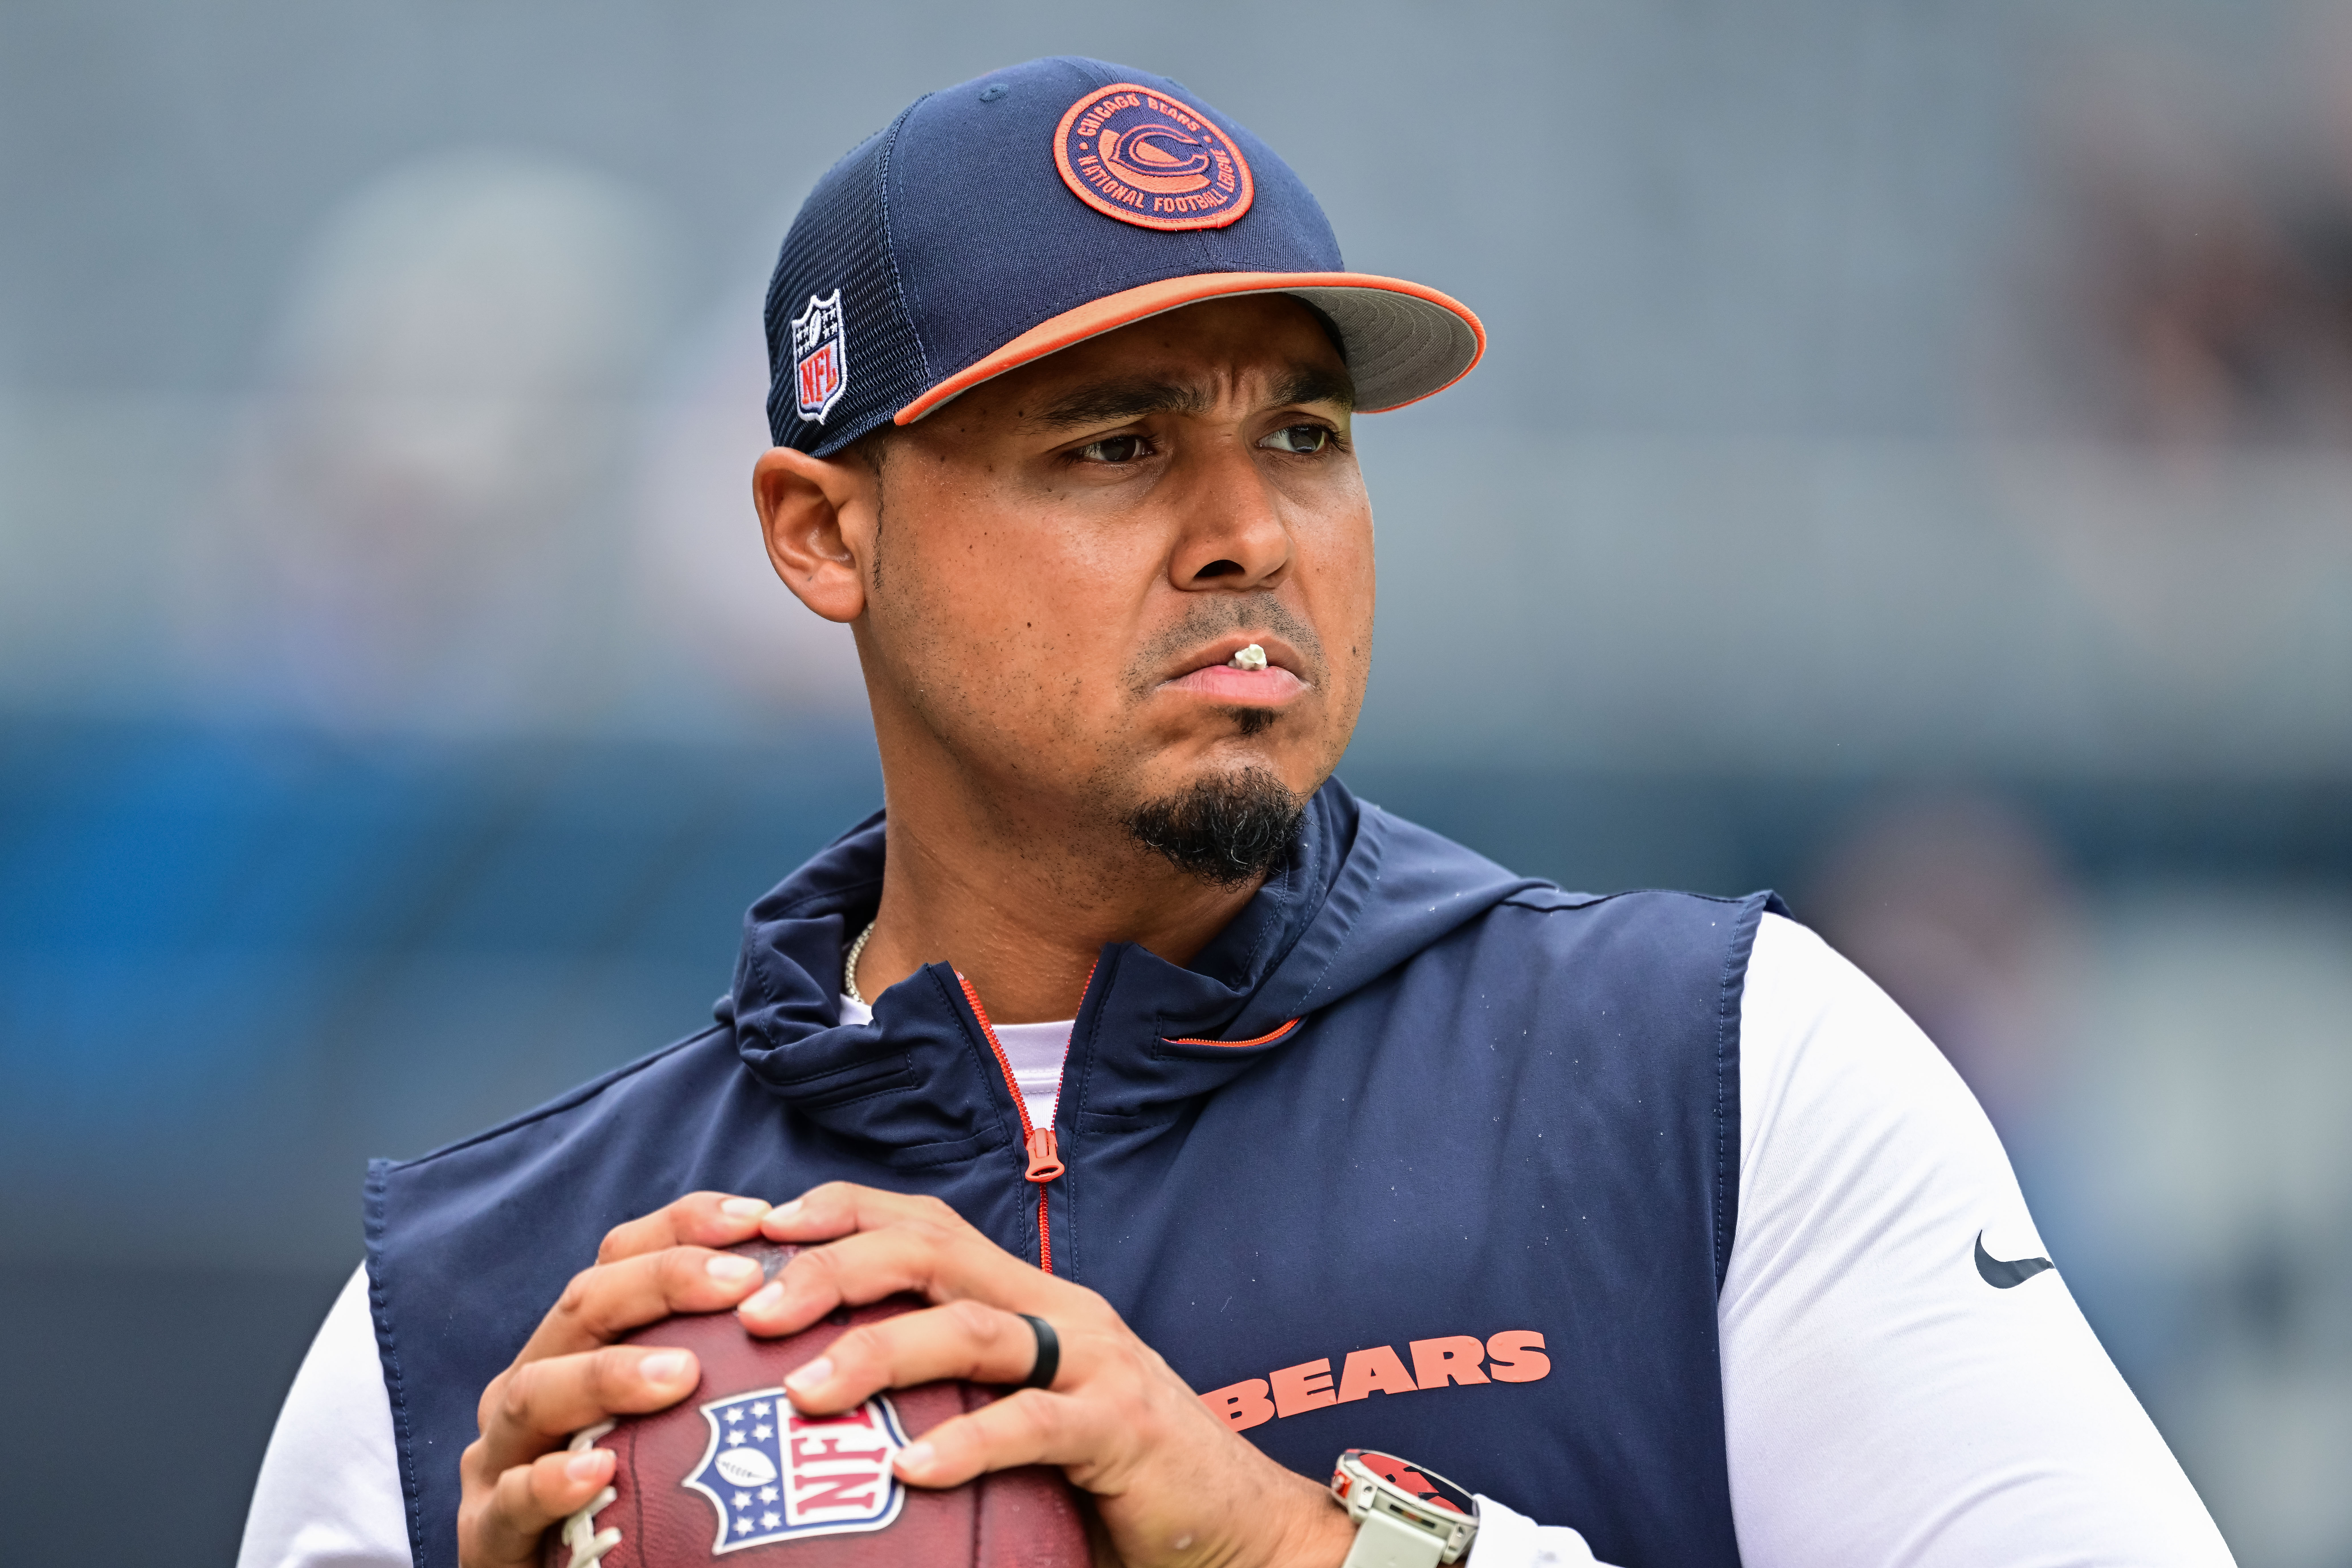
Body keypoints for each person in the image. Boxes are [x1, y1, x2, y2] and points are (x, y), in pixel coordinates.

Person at [239, 56, 2234, 1568]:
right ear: (821, 532)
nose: (1249, 535)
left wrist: (1299, 1543)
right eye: (1116, 447)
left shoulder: (1715, 1074)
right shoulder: (479, 1314)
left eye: (1303, 434)